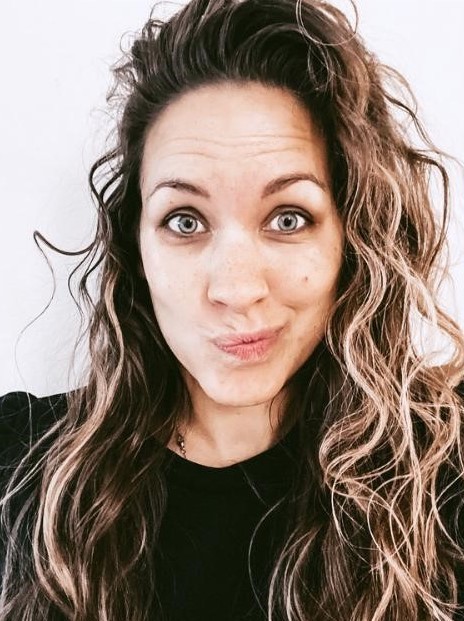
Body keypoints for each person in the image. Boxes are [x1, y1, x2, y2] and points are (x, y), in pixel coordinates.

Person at [1, 0, 464, 619]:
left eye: (288, 218)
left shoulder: (445, 476)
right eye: (185, 221)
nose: (236, 289)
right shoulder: (19, 467)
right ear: (135, 249)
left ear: (352, 240)